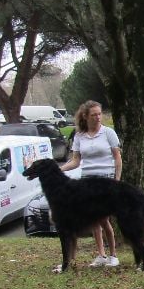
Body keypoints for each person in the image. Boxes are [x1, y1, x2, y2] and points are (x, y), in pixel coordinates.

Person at [59, 101, 122, 267]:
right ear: (85, 116)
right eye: (94, 115)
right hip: (87, 180)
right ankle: (101, 255)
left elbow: (117, 158)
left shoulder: (108, 133)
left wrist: (117, 179)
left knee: (103, 218)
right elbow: (75, 161)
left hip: (105, 179)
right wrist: (60, 169)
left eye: (99, 114)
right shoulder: (80, 136)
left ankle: (113, 255)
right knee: (94, 219)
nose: (98, 117)